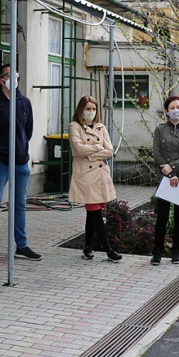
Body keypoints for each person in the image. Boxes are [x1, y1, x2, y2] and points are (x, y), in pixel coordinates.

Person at [0, 63, 41, 265]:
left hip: (20, 162)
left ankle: (21, 245)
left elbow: (27, 131)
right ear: (1, 80)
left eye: (16, 74)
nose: (13, 78)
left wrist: (21, 150)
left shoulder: (24, 102)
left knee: (20, 205)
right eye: (8, 75)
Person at [67, 96, 122, 262]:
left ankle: (87, 247)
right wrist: (98, 148)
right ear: (80, 109)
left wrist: (91, 152)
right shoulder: (74, 126)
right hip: (85, 176)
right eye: (88, 108)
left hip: (100, 175)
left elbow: (110, 151)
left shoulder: (101, 127)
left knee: (93, 213)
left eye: (93, 109)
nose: (91, 112)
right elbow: (78, 150)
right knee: (95, 212)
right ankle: (109, 250)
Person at [151, 95, 179, 265]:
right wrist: (169, 173)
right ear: (166, 111)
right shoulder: (160, 129)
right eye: (172, 108)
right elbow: (157, 153)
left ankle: (176, 251)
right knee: (162, 216)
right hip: (164, 179)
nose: (176, 110)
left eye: (178, 107)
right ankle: (157, 251)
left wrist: (174, 168)